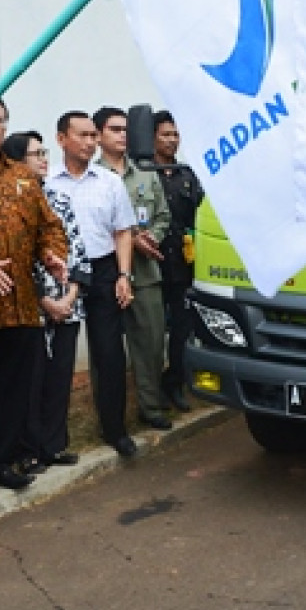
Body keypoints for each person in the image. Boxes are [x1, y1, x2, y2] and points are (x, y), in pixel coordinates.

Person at [0, 94, 67, 500]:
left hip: (20, 305)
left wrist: (52, 254)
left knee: (10, 393)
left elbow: (49, 226)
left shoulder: (22, 175)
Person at [45, 111, 138, 457]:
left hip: (102, 270)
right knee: (60, 358)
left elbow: (123, 231)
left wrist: (124, 275)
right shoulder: (47, 183)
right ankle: (52, 440)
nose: (90, 142)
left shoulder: (109, 182)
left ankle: (115, 430)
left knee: (109, 353)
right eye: (82, 135)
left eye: (93, 136)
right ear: (61, 139)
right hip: (61, 273)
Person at [4, 131, 90, 473]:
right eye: (35, 154)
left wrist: (69, 296)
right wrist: (45, 301)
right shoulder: (7, 203)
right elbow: (17, 262)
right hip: (31, 310)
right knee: (29, 383)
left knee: (58, 380)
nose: (44, 159)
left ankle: (54, 446)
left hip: (67, 306)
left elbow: (78, 252)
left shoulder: (59, 199)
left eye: (44, 153)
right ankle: (27, 451)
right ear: (15, 161)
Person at [93, 106, 173, 429]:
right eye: (114, 129)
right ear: (98, 135)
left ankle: (150, 407)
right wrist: (130, 239)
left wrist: (151, 237)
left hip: (145, 273)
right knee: (106, 352)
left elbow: (163, 216)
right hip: (106, 275)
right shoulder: (92, 177)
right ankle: (109, 417)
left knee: (152, 345)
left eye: (126, 129)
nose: (123, 135)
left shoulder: (146, 175)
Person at [152, 111, 204, 412]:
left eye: (175, 135)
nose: (172, 140)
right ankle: (152, 390)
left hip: (183, 265)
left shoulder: (187, 175)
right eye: (165, 135)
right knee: (153, 331)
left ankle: (175, 383)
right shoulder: (144, 172)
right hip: (153, 265)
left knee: (182, 330)